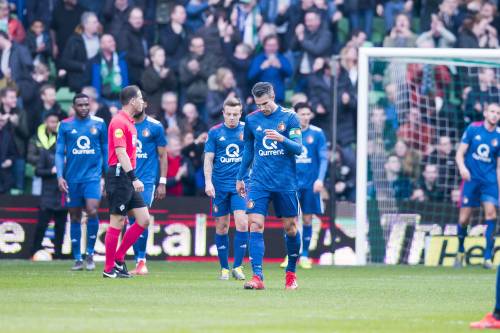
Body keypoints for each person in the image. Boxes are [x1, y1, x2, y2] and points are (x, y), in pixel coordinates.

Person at [236, 82, 303, 290]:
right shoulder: (252, 119)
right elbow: (248, 150)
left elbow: (298, 149)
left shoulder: (290, 117)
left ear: (273, 95)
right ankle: (257, 277)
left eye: (265, 103)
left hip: (284, 182)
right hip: (259, 182)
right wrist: (240, 177)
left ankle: (291, 273)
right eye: (259, 104)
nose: (263, 107)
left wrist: (281, 138)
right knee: (254, 224)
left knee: (290, 228)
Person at [102, 85, 151, 278]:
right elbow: (120, 153)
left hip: (126, 176)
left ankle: (118, 258)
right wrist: (134, 178)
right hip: (120, 176)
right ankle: (108, 269)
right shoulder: (118, 122)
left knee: (144, 219)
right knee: (117, 221)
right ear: (132, 101)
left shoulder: (129, 122)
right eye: (140, 98)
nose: (142, 102)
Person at [55, 93, 108, 271]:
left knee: (92, 210)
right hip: (72, 179)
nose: (84, 108)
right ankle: (78, 258)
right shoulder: (65, 125)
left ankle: (91, 254)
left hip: (92, 177)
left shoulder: (99, 123)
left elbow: (106, 150)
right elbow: (59, 152)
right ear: (74, 106)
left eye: (87, 104)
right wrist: (60, 176)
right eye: (80, 105)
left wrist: (107, 177)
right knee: (75, 216)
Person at [204, 96, 248, 281]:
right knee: (222, 227)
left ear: (240, 114)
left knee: (242, 223)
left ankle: (237, 266)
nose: (232, 117)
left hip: (241, 185)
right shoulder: (215, 133)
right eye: (228, 114)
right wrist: (208, 182)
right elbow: (208, 159)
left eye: (235, 114)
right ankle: (224, 268)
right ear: (223, 113)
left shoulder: (247, 130)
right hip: (220, 186)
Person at [281, 102, 327, 270]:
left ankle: (305, 255)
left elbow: (323, 158)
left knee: (307, 219)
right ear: (296, 114)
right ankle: (290, 254)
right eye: (302, 114)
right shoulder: (287, 132)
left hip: (310, 184)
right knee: (290, 220)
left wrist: (320, 179)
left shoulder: (317, 133)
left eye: (308, 114)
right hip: (291, 183)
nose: (305, 117)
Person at [454, 103, 500, 270]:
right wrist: (463, 168)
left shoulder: (499, 136)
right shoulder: (473, 129)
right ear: (486, 114)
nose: (495, 115)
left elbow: (499, 167)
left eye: (498, 113)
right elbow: (459, 153)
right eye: (492, 112)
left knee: (491, 214)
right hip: (471, 180)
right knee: (464, 219)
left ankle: (487, 257)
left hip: (489, 182)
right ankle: (460, 250)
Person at [128, 101, 168, 275]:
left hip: (146, 180)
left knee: (141, 219)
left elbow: (163, 155)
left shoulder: (155, 126)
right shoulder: (123, 124)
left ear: (144, 104)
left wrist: (162, 182)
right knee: (130, 222)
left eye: (139, 102)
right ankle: (137, 261)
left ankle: (141, 261)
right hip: (126, 179)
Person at [30, 112, 67, 259]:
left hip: (63, 194)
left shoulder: (68, 154)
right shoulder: (46, 153)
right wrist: (51, 171)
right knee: (41, 226)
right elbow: (38, 171)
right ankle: (33, 252)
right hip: (48, 194)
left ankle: (58, 254)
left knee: (61, 227)